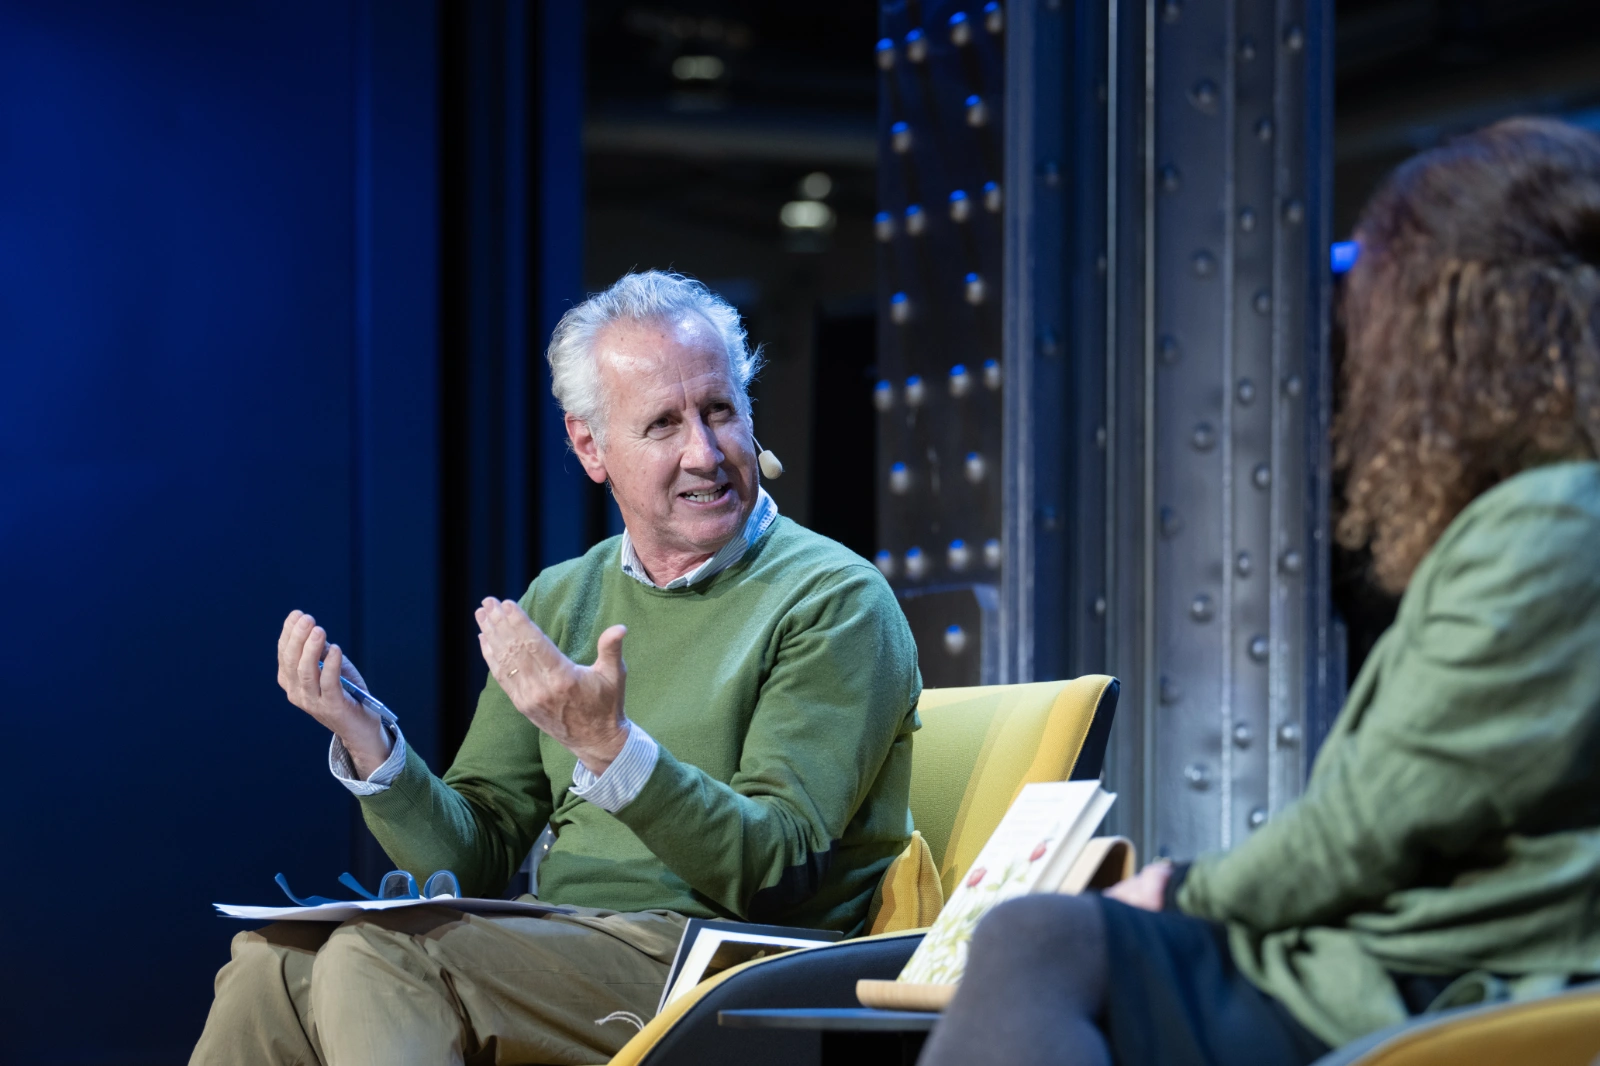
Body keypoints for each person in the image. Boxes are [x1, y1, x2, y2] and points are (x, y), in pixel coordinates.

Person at [919, 116, 1600, 1066]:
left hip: (1445, 976)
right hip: (1421, 953)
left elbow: (1373, 825)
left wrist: (1181, 888)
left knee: (1039, 938)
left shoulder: (1556, 523)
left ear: (1462, 334)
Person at [190, 271, 921, 1066]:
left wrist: (612, 749)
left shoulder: (837, 598)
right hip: (564, 942)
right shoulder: (566, 596)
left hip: (733, 961)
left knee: (379, 956)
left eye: (719, 411)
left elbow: (776, 865)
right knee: (270, 966)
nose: (704, 453)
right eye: (663, 425)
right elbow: (475, 854)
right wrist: (369, 742)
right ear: (589, 446)